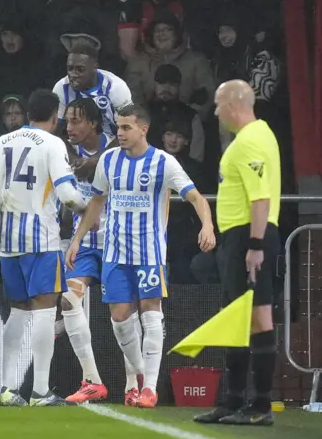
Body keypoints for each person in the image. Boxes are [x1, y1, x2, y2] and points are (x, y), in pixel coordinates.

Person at [66, 104, 216, 408]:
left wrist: (208, 225)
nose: (119, 133)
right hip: (115, 253)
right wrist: (77, 239)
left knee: (150, 313)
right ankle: (139, 376)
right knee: (120, 319)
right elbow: (97, 201)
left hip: (149, 253)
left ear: (143, 129)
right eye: (118, 127)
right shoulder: (109, 160)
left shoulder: (163, 162)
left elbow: (196, 196)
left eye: (125, 128)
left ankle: (148, 388)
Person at [0, 89, 87, 406]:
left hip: (8, 240)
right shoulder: (52, 143)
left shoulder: (1, 142)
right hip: (41, 239)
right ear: (56, 115)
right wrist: (87, 208)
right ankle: (39, 391)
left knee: (18, 313)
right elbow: (69, 196)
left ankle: (7, 389)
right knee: (45, 312)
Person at [194, 80, 281, 426]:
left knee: (258, 317)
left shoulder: (251, 141)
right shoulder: (256, 137)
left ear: (233, 103)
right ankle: (233, 402)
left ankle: (259, 406)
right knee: (236, 317)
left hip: (248, 235)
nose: (215, 112)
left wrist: (255, 246)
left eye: (217, 105)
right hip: (239, 237)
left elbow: (260, 198)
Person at [57, 98, 112, 404]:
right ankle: (91, 379)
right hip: (86, 242)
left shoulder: (117, 147)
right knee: (69, 300)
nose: (70, 127)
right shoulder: (63, 154)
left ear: (93, 123)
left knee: (124, 314)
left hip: (118, 242)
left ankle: (135, 383)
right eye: (67, 121)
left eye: (76, 121)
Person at [52, 41, 132, 138]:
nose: (73, 74)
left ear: (95, 67)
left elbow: (128, 130)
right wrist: (73, 153)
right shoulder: (61, 87)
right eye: (70, 68)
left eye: (80, 69)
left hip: (114, 144)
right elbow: (56, 132)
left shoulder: (116, 88)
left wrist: (105, 153)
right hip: (75, 147)